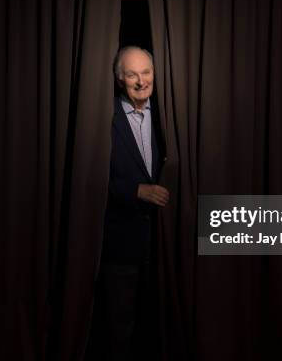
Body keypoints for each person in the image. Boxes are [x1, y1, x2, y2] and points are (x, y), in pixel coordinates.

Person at [88, 46, 169, 361]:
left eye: (146, 73)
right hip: (119, 244)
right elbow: (90, 175)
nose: (141, 81)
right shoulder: (102, 119)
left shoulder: (169, 117)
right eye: (132, 74)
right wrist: (135, 191)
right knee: (118, 328)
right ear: (119, 79)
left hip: (161, 246)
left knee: (155, 328)